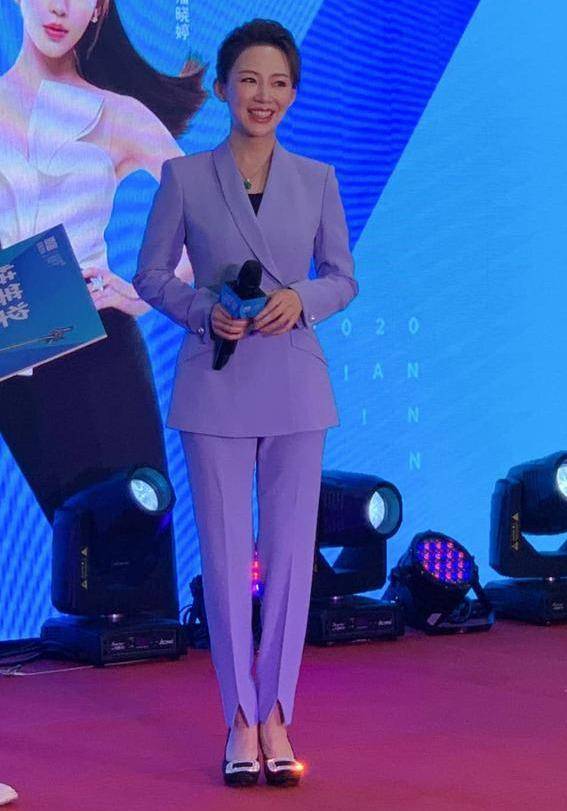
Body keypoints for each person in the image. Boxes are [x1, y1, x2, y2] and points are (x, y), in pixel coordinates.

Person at [134, 18, 358, 787]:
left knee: (290, 559)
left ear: (293, 93)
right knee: (228, 560)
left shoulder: (317, 178)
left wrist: (301, 298)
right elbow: (150, 274)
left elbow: (342, 276)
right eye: (250, 80)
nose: (264, 95)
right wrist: (203, 310)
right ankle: (237, 715)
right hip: (217, 381)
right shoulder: (185, 177)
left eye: (279, 82)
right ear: (225, 87)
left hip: (295, 383)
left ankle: (276, 713)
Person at [0, 0, 204, 526]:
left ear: (99, 9)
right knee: (77, 549)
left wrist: (141, 294)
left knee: (137, 536)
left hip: (96, 348)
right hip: (11, 355)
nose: (59, 7)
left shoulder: (117, 114)